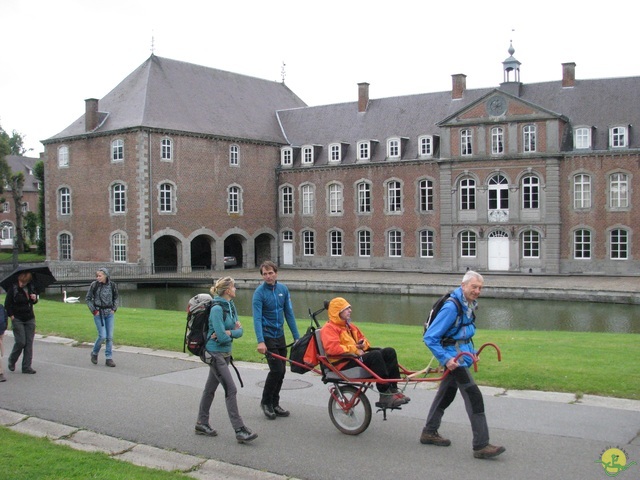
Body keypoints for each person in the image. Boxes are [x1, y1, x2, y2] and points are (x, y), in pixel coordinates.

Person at [421, 270, 505, 459]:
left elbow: (463, 335)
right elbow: (430, 337)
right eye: (474, 287)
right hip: (453, 359)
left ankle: (429, 431)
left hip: (459, 357)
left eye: (480, 288)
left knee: (446, 395)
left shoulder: (468, 305)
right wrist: (446, 360)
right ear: (463, 285)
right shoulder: (452, 307)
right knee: (474, 396)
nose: (477, 291)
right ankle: (481, 445)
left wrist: (473, 354)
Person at [196, 277, 257, 443]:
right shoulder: (216, 309)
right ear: (226, 290)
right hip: (215, 354)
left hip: (224, 354)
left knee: (210, 389)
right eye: (233, 287)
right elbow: (222, 336)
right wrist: (230, 332)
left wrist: (230, 332)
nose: (235, 289)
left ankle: (201, 423)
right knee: (231, 389)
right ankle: (239, 430)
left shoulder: (230, 306)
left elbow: (239, 331)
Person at [320, 297, 410, 408]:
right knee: (375, 356)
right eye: (346, 309)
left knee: (389, 352)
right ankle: (384, 393)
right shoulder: (329, 328)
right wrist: (355, 349)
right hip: (343, 363)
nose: (350, 310)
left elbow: (364, 340)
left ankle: (393, 389)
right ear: (337, 312)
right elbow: (332, 349)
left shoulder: (350, 326)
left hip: (355, 356)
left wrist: (363, 345)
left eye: (349, 308)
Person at [252, 260, 300, 419]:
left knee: (282, 371)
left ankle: (275, 403)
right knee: (276, 370)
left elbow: (289, 314)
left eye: (270, 273)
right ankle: (266, 402)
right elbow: (257, 318)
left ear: (276, 273)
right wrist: (260, 341)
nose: (268, 276)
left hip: (280, 335)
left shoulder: (283, 289)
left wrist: (296, 337)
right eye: (264, 274)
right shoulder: (259, 293)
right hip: (267, 335)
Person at [4, 272, 38, 374]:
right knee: (21, 342)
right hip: (17, 318)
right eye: (22, 282)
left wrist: (34, 298)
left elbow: (34, 301)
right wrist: (12, 316)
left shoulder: (30, 287)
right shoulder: (13, 288)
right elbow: (7, 304)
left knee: (29, 343)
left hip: (29, 317)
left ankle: (27, 366)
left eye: (25, 282)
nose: (23, 284)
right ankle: (12, 360)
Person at [86, 267, 119, 367]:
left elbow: (116, 297)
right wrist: (94, 310)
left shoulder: (112, 285)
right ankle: (94, 353)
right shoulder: (94, 285)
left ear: (106, 276)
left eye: (100, 276)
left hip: (109, 313)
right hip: (98, 313)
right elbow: (88, 298)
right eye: (97, 276)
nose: (98, 278)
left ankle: (108, 358)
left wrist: (114, 309)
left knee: (110, 336)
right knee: (102, 336)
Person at [0, 303, 8, 381]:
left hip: (1, 331)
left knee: (1, 353)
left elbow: (5, 317)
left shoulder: (1, 307)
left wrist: (5, 326)